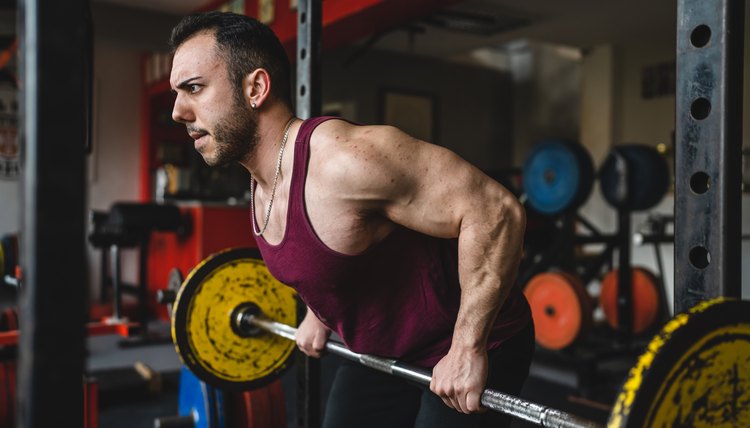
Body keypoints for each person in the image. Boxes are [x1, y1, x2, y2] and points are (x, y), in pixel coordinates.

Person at [169, 11, 534, 428]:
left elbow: (495, 212)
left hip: (465, 343)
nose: (178, 111)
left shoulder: (346, 160)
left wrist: (469, 347)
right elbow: (329, 251)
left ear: (255, 87)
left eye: (194, 89)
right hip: (382, 347)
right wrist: (317, 314)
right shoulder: (260, 182)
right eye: (177, 94)